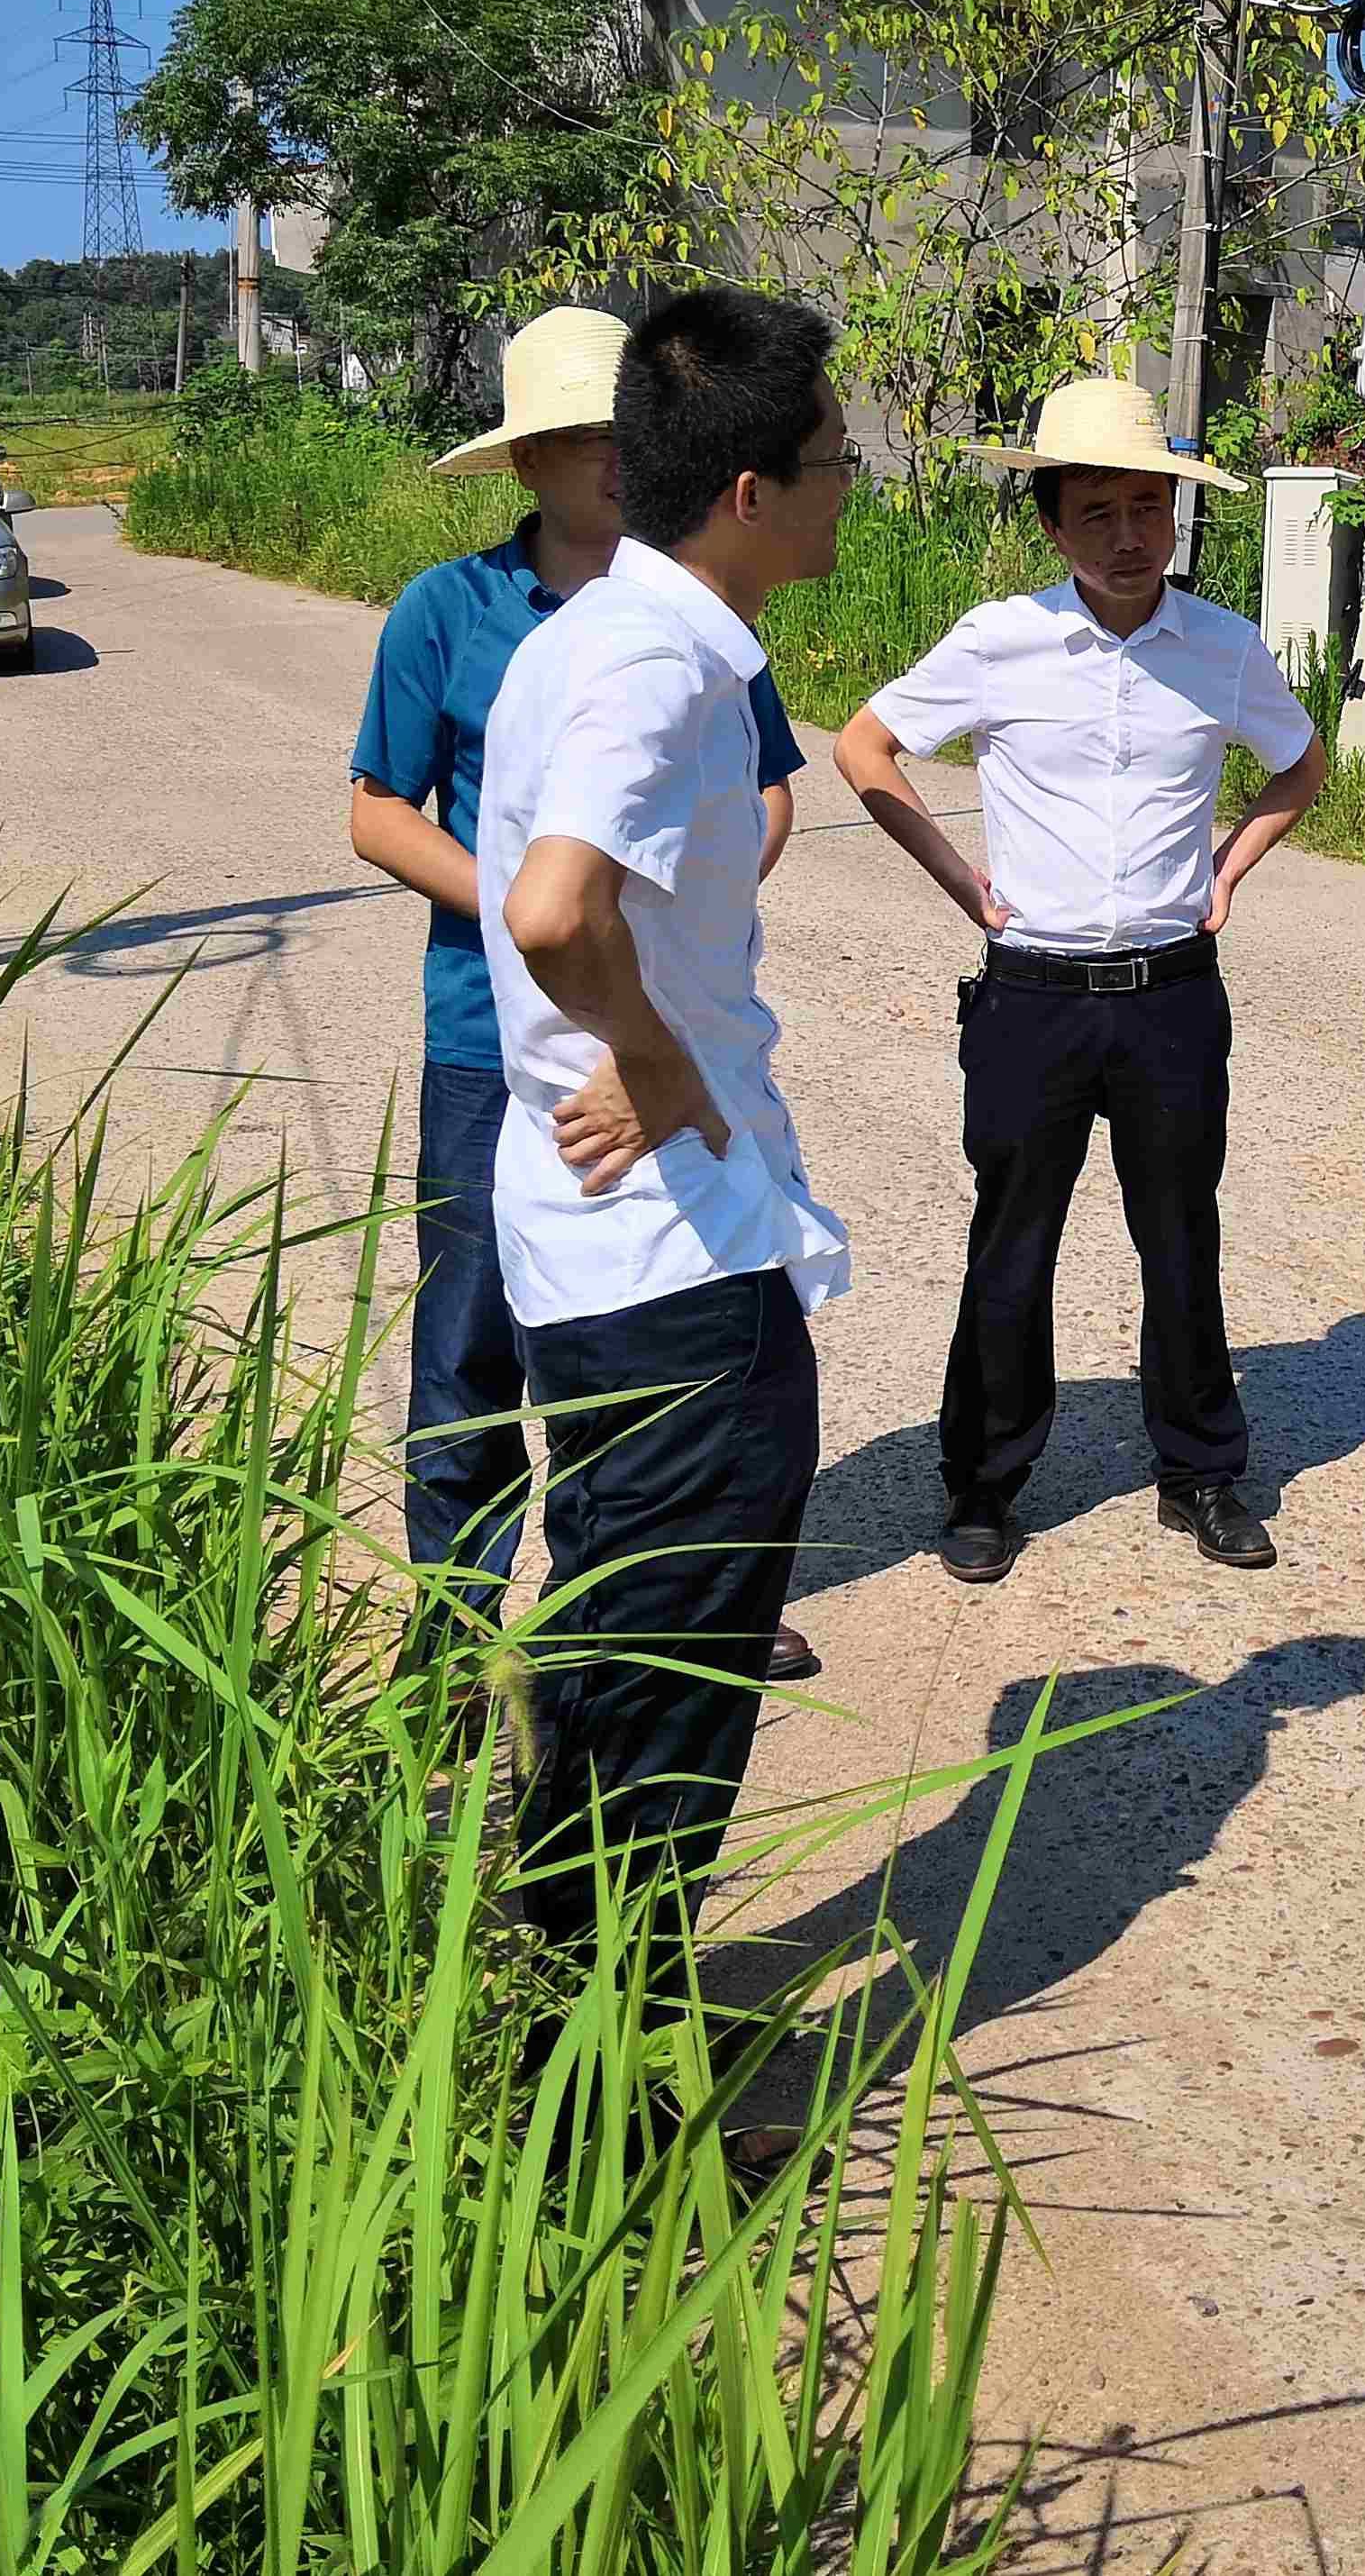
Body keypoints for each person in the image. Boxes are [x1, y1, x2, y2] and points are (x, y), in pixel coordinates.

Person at [348, 307, 814, 1693]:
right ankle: (458, 1630)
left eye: (624, 433)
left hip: (631, 1020)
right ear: (525, 464)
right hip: (498, 1035)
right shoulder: (455, 610)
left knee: (636, 1343)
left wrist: (661, 945)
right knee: (478, 1344)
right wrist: (552, 922)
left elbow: (765, 792)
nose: (608, 461)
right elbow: (381, 814)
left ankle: (643, 1603)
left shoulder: (693, 617)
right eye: (576, 440)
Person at [473, 287, 855, 1962]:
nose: (856, 484)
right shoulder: (655, 662)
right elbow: (560, 909)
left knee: (622, 1642)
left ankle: (562, 2016)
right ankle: (602, 2097)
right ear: (752, 491)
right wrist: (655, 1052)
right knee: (666, 1673)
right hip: (659, 1252)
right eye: (838, 458)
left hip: (621, 1239)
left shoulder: (600, 633)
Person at [835, 377, 1327, 1582]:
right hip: (1032, 994)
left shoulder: (1219, 646)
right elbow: (863, 745)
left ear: (1176, 516)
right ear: (1053, 525)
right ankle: (984, 1487)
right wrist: (961, 879)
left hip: (1170, 992)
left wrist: (1230, 867)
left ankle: (1202, 1470)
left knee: (1181, 1237)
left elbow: (1300, 763)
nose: (1127, 535)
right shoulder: (999, 639)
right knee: (1012, 1244)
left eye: (1148, 508)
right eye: (1097, 511)